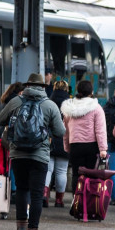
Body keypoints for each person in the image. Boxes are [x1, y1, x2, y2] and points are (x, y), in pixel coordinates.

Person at [0, 73, 65, 230]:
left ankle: (20, 228)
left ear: (27, 86)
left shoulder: (16, 101)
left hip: (18, 154)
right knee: (36, 195)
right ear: (43, 87)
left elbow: (0, 119)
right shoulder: (50, 105)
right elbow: (60, 132)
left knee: (21, 190)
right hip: (39, 156)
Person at [60, 80, 108, 195]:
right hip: (92, 146)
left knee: (76, 174)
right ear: (91, 92)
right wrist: (103, 149)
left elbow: (65, 131)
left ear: (78, 91)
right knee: (91, 174)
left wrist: (66, 146)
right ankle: (89, 201)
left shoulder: (69, 109)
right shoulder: (96, 108)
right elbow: (100, 130)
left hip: (75, 145)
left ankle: (76, 202)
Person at [45, 80, 71, 208]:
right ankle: (59, 200)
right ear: (67, 90)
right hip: (64, 140)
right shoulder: (70, 105)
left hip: (48, 140)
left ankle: (44, 196)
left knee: (48, 170)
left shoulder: (48, 102)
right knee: (61, 171)